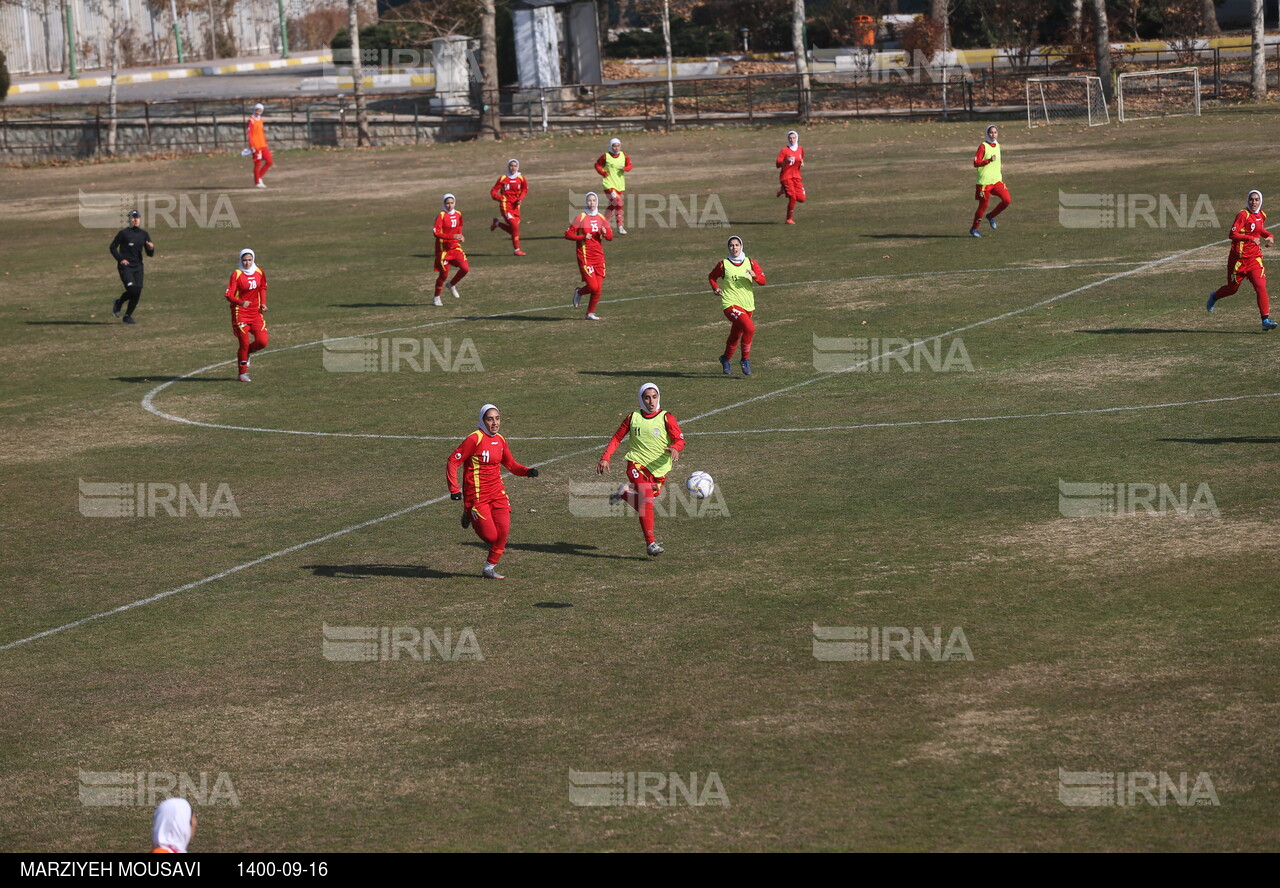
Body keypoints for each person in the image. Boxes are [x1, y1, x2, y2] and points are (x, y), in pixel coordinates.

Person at [447, 404, 540, 580]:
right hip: (477, 496)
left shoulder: (501, 440)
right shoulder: (475, 439)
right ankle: (469, 512)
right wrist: (454, 489)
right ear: (482, 420)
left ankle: (489, 568)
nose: (494, 423)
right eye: (490, 419)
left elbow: (511, 465)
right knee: (491, 536)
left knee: (503, 532)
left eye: (497, 418)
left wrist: (527, 471)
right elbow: (453, 461)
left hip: (497, 493)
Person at [596, 383, 686, 557]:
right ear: (641, 399)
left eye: (654, 397)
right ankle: (650, 543)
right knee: (647, 501)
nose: (651, 401)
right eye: (647, 397)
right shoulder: (633, 418)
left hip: (659, 469)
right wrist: (605, 457)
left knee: (647, 502)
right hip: (636, 464)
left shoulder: (667, 417)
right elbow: (617, 437)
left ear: (659, 397)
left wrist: (675, 447)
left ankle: (623, 494)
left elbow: (680, 440)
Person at [1208, 189, 1276, 330]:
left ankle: (1265, 320)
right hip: (1238, 260)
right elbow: (1232, 234)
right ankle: (1214, 296)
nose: (1254, 202)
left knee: (1261, 287)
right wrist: (1250, 238)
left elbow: (1260, 230)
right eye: (1251, 199)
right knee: (1232, 289)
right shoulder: (1243, 215)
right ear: (1248, 200)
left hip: (1254, 259)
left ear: (1260, 201)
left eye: (1257, 199)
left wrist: (1269, 236)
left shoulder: (1262, 215)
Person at [709, 234, 767, 376]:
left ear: (741, 246)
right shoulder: (724, 264)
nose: (734, 248)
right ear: (728, 248)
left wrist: (755, 276)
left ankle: (725, 358)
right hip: (730, 304)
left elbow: (763, 281)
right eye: (731, 245)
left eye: (736, 245)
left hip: (747, 305)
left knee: (736, 334)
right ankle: (745, 360)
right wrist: (715, 288)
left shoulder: (751, 263)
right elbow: (712, 276)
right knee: (749, 328)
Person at [565, 192, 613, 320]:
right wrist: (582, 237)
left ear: (597, 202)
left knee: (598, 289)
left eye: (594, 200)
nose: (592, 203)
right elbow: (568, 234)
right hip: (585, 257)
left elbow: (610, 237)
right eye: (589, 200)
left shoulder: (601, 218)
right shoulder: (580, 218)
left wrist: (605, 232)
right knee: (592, 286)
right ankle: (579, 292)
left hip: (599, 257)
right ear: (586, 202)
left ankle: (589, 313)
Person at [224, 248, 268, 382]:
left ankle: (247, 352)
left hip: (255, 313)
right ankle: (242, 373)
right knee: (244, 343)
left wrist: (263, 303)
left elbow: (262, 287)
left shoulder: (260, 272)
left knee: (262, 342)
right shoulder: (236, 274)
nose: (247, 263)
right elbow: (228, 295)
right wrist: (240, 302)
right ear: (240, 260)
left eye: (249, 260)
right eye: (244, 260)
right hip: (240, 313)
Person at [109, 209, 154, 325]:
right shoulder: (123, 233)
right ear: (129, 219)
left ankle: (128, 316)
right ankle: (119, 302)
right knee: (132, 290)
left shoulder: (144, 234)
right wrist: (120, 259)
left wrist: (150, 248)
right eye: (133, 217)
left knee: (138, 291)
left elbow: (150, 254)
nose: (136, 220)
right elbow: (112, 247)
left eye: (137, 217)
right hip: (126, 267)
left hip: (138, 267)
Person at [970, 124, 1010, 237]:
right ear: (987, 133)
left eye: (995, 132)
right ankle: (974, 229)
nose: (993, 134)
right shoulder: (983, 146)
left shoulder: (998, 145)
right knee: (983, 205)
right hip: (984, 183)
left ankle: (991, 216)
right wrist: (988, 161)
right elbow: (975, 163)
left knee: (1007, 200)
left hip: (997, 181)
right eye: (991, 132)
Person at [432, 193, 469, 307]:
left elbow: (459, 227)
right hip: (444, 250)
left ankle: (452, 284)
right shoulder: (441, 215)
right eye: (447, 203)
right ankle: (436, 296)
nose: (449, 205)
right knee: (443, 275)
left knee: (465, 268)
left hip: (455, 247)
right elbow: (436, 233)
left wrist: (460, 236)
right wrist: (452, 236)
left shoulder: (458, 214)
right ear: (444, 203)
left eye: (451, 203)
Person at [490, 158, 528, 256]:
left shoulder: (521, 178)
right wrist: (499, 198)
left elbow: (525, 190)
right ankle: (517, 250)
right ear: (508, 166)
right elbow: (493, 192)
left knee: (514, 229)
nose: (513, 168)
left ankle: (497, 223)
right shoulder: (503, 178)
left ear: (517, 167)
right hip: (505, 206)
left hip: (516, 206)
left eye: (515, 166)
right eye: (511, 165)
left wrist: (521, 199)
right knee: (514, 225)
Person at [594, 138, 631, 235]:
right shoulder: (605, 156)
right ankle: (620, 226)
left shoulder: (624, 155)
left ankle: (603, 225)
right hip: (608, 184)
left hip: (619, 185)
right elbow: (597, 165)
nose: (616, 147)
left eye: (618, 145)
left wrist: (625, 168)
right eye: (614, 145)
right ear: (611, 146)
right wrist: (603, 172)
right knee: (618, 203)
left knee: (613, 205)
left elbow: (629, 166)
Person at [776, 130, 806, 225]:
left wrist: (802, 162)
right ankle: (789, 219)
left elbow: (801, 158)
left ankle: (784, 191)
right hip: (786, 177)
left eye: (794, 138)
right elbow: (777, 164)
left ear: (797, 138)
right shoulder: (784, 150)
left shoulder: (800, 149)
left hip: (797, 177)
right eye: (790, 138)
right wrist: (785, 161)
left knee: (802, 199)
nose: (792, 140)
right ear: (787, 139)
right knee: (792, 197)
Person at [246, 103, 272, 188]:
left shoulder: (261, 119)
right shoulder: (251, 120)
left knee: (269, 161)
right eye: (257, 110)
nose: (259, 112)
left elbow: (262, 132)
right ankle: (257, 182)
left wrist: (265, 142)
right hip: (256, 146)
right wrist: (251, 145)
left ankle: (259, 177)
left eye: (260, 110)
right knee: (258, 164)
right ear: (255, 110)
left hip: (263, 145)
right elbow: (249, 133)